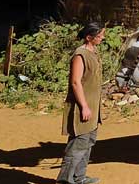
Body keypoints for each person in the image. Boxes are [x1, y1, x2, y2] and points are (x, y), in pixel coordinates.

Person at [59, 22, 105, 184]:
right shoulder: (80, 55)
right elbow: (75, 82)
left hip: (93, 107)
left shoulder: (94, 52)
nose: (102, 38)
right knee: (78, 145)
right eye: (99, 36)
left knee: (88, 144)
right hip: (82, 108)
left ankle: (79, 178)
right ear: (88, 37)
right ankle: (65, 180)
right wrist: (84, 106)